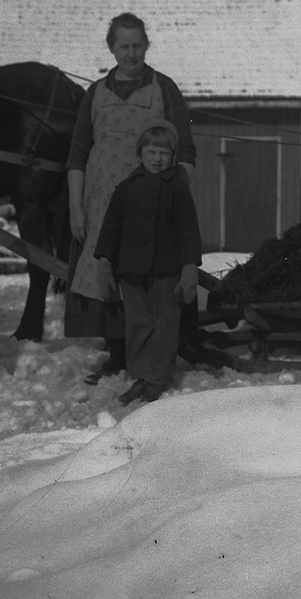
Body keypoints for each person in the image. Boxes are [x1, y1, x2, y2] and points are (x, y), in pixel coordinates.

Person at [64, 12, 197, 384]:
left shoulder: (163, 88)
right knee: (104, 271)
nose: (132, 53)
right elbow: (77, 154)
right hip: (101, 199)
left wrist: (175, 194)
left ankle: (151, 358)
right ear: (112, 48)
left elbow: (185, 149)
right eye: (124, 46)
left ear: (146, 46)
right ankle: (117, 355)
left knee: (148, 274)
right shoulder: (95, 93)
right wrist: (76, 207)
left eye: (138, 45)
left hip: (153, 200)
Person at [94, 121, 202, 405]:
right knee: (138, 323)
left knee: (165, 323)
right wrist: (105, 261)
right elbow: (111, 228)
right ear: (140, 153)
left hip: (167, 269)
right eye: (151, 152)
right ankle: (141, 376)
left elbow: (189, 231)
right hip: (131, 269)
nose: (157, 159)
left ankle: (158, 379)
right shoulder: (126, 188)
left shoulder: (177, 189)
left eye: (163, 153)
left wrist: (189, 269)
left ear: (173, 156)